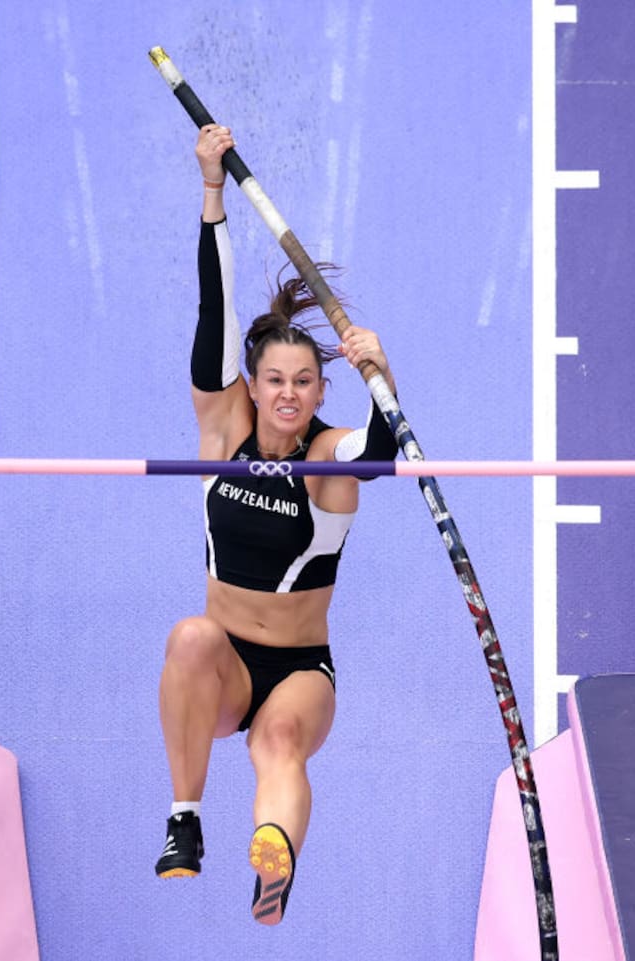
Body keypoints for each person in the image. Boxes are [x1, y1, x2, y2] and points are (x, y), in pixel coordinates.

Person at [153, 122, 399, 926]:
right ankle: (185, 821)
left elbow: (382, 447)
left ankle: (273, 859)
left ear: (318, 393)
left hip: (298, 670)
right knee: (189, 634)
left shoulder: (330, 457)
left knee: (278, 745)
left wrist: (381, 375)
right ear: (252, 385)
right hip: (225, 665)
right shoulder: (222, 428)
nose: (288, 393)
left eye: (304, 382)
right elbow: (213, 312)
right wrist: (213, 192)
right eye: (274, 380)